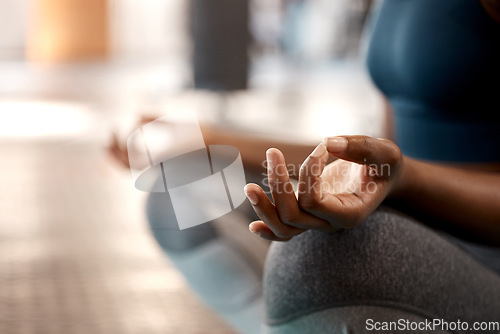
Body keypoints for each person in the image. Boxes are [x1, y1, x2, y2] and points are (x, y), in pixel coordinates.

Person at [109, 0, 500, 333]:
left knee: (315, 261)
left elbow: (398, 169)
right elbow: (380, 152)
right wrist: (210, 139)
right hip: (416, 215)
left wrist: (406, 179)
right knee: (183, 187)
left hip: (486, 255)